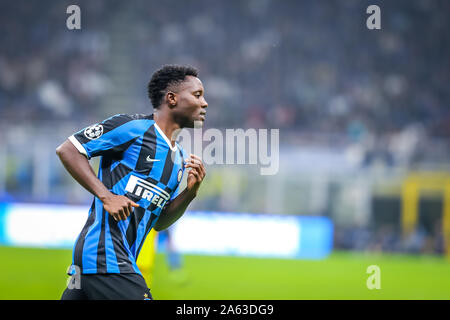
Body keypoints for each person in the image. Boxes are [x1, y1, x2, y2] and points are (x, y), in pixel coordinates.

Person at [57, 65, 208, 300]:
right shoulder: (132, 128)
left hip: (110, 262)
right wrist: (106, 196)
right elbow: (68, 149)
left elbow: (159, 222)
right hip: (104, 256)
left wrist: (190, 192)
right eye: (197, 95)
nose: (204, 103)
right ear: (172, 98)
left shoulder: (178, 158)